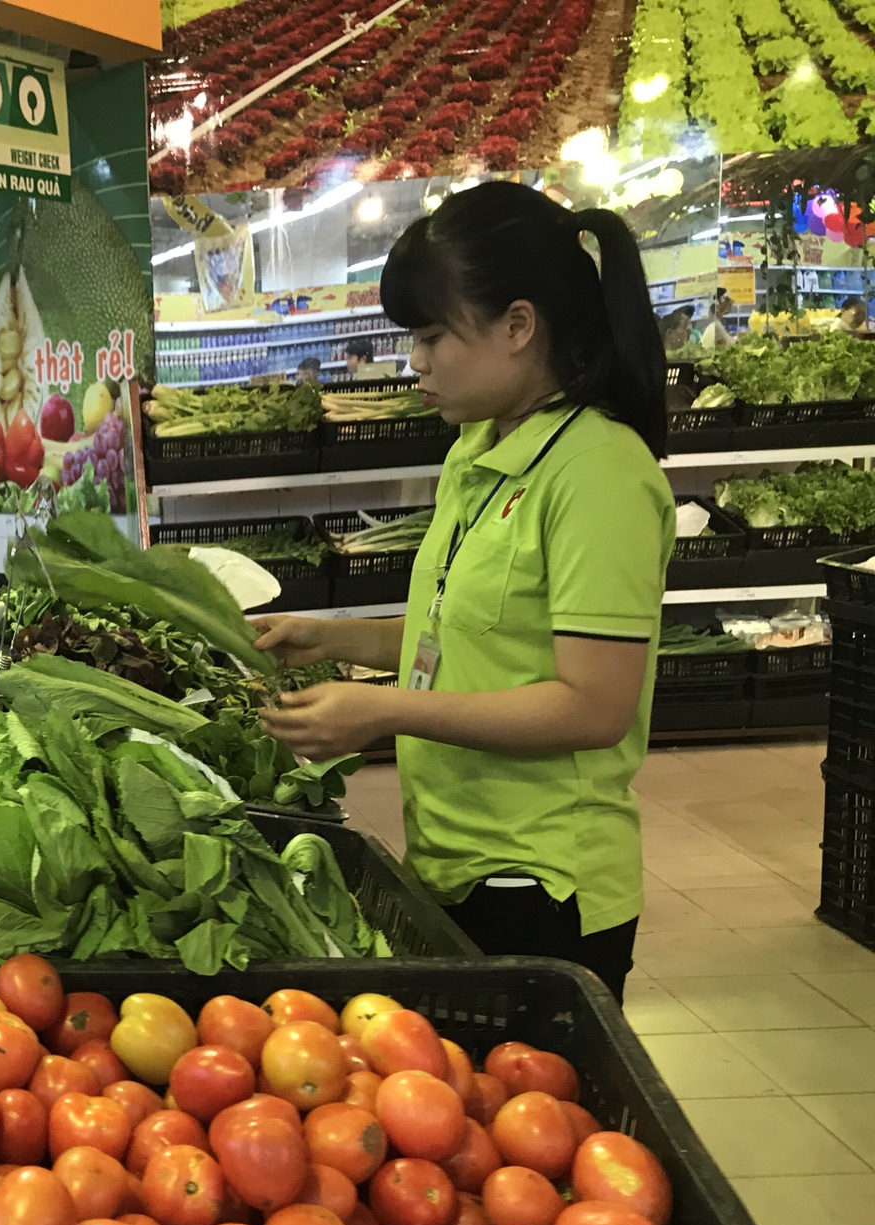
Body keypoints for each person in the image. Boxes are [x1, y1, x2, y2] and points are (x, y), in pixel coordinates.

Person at [253, 182, 671, 1001]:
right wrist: (331, 637)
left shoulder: (600, 474)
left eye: (434, 335)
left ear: (519, 326)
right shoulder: (478, 452)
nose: (416, 361)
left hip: (540, 880)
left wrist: (384, 712)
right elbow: (469, 633)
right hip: (449, 857)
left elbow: (592, 706)